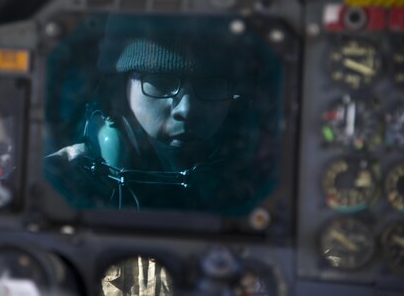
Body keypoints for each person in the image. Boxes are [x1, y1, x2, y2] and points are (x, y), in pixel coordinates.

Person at [45, 13, 280, 216]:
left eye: (210, 86)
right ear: (119, 90)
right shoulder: (75, 183)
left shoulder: (262, 181)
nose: (186, 110)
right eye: (160, 82)